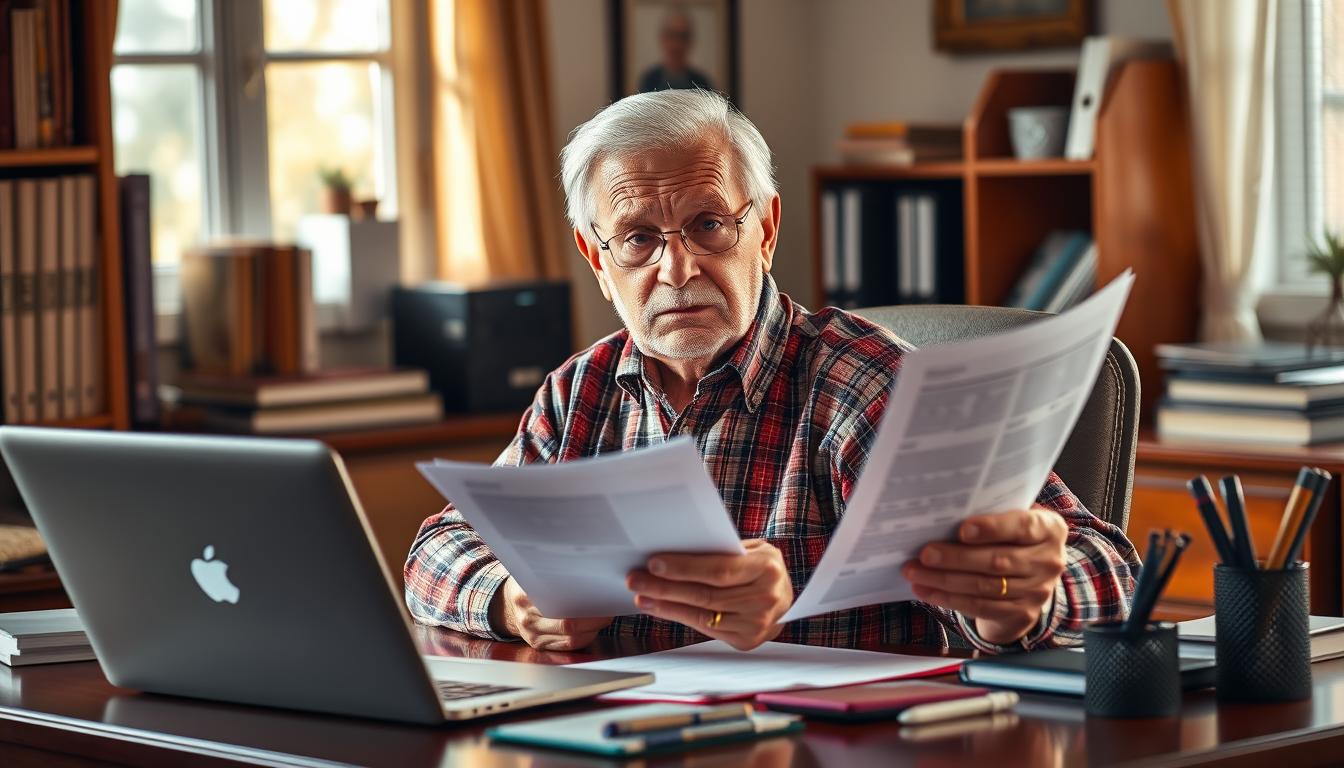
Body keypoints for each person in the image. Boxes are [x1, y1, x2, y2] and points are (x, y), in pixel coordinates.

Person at [405, 88, 1139, 654]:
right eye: (638, 238)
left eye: (708, 225)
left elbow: (1108, 566)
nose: (677, 269)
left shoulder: (866, 385)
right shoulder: (580, 393)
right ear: (597, 258)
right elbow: (436, 549)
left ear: (765, 228)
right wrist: (512, 601)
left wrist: (1017, 600)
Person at [637, 8, 715, 93]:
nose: (676, 44)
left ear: (690, 41)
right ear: (663, 38)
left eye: (682, 37)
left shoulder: (702, 83)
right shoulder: (649, 81)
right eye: (671, 35)